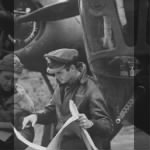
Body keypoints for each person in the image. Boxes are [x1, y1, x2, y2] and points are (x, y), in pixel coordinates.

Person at [23, 48, 114, 150]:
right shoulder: (62, 85)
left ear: (72, 68)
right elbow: (52, 111)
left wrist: (90, 124)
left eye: (59, 73)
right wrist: (36, 117)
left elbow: (107, 126)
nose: (56, 77)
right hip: (63, 144)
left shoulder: (92, 88)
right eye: (55, 74)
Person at [0, 54, 35, 150]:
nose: (10, 83)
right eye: (6, 78)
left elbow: (28, 129)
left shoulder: (21, 98)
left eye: (15, 80)